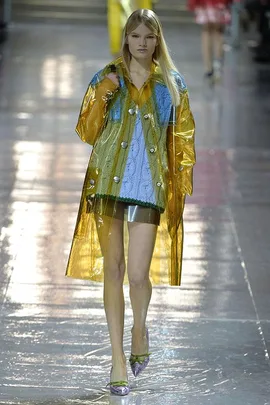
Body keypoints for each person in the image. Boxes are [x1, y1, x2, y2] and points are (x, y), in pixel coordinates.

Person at [66, 8, 196, 396]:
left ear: (158, 41)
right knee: (114, 270)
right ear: (126, 38)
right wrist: (103, 92)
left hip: (149, 187)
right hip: (108, 181)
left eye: (150, 37)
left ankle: (140, 328)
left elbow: (183, 141)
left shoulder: (171, 84)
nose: (142, 43)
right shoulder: (108, 77)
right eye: (136, 36)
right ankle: (117, 358)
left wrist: (180, 187)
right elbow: (86, 132)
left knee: (138, 275)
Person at [188, 0, 232, 82]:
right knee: (218, 32)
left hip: (204, 3)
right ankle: (217, 64)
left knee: (206, 31)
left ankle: (208, 68)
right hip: (220, 3)